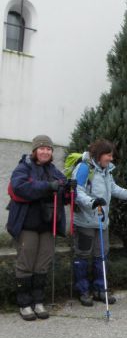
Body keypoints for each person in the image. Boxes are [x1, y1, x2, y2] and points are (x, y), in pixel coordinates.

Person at [7, 135, 69, 320]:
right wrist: (48, 187)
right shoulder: (23, 167)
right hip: (27, 224)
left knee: (42, 264)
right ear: (35, 150)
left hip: (48, 225)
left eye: (49, 149)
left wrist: (69, 188)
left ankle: (38, 302)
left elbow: (62, 188)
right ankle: (24, 304)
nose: (45, 151)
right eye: (42, 148)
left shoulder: (54, 170)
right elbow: (19, 187)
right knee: (26, 264)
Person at [72, 139, 127, 306]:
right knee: (83, 256)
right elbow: (76, 190)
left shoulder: (107, 171)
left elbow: (112, 188)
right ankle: (83, 291)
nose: (111, 158)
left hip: (101, 221)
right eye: (108, 155)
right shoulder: (84, 168)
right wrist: (92, 202)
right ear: (98, 155)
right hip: (85, 221)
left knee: (102, 255)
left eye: (112, 155)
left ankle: (101, 290)